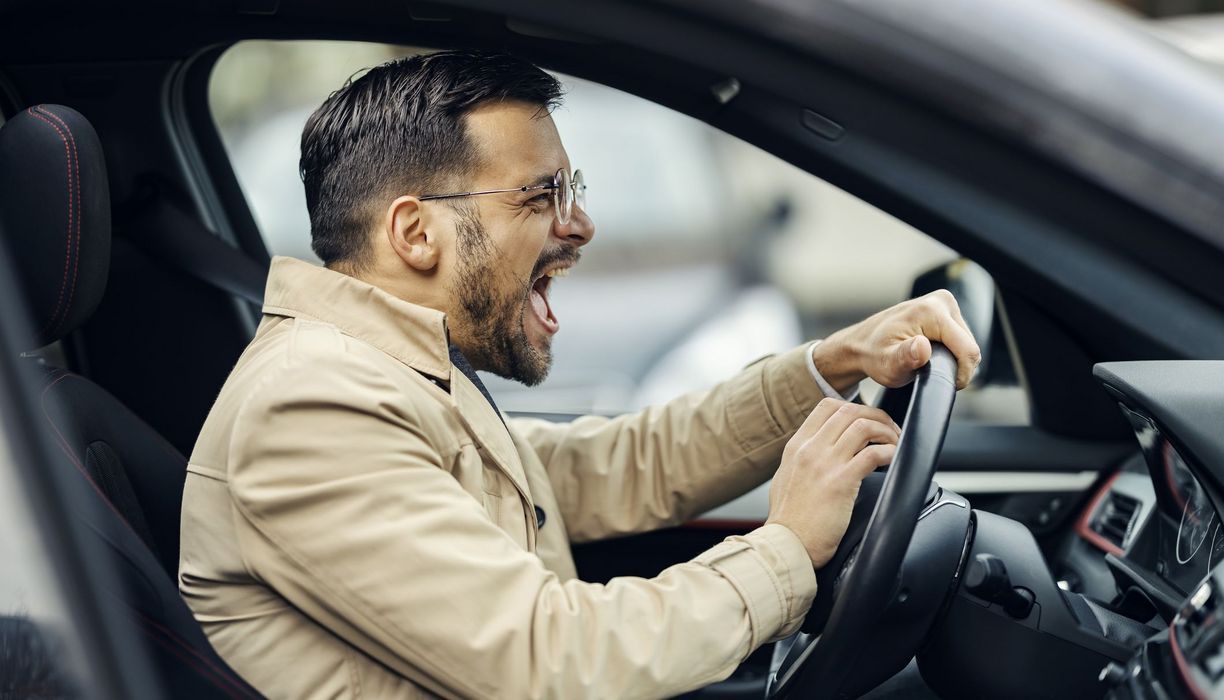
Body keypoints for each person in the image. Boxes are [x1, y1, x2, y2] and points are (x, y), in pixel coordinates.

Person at [178, 49, 980, 699]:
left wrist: (828, 366)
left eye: (574, 189)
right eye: (542, 195)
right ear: (417, 233)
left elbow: (618, 465)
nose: (582, 224)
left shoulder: (392, 376)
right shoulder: (314, 408)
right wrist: (787, 548)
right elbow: (549, 662)